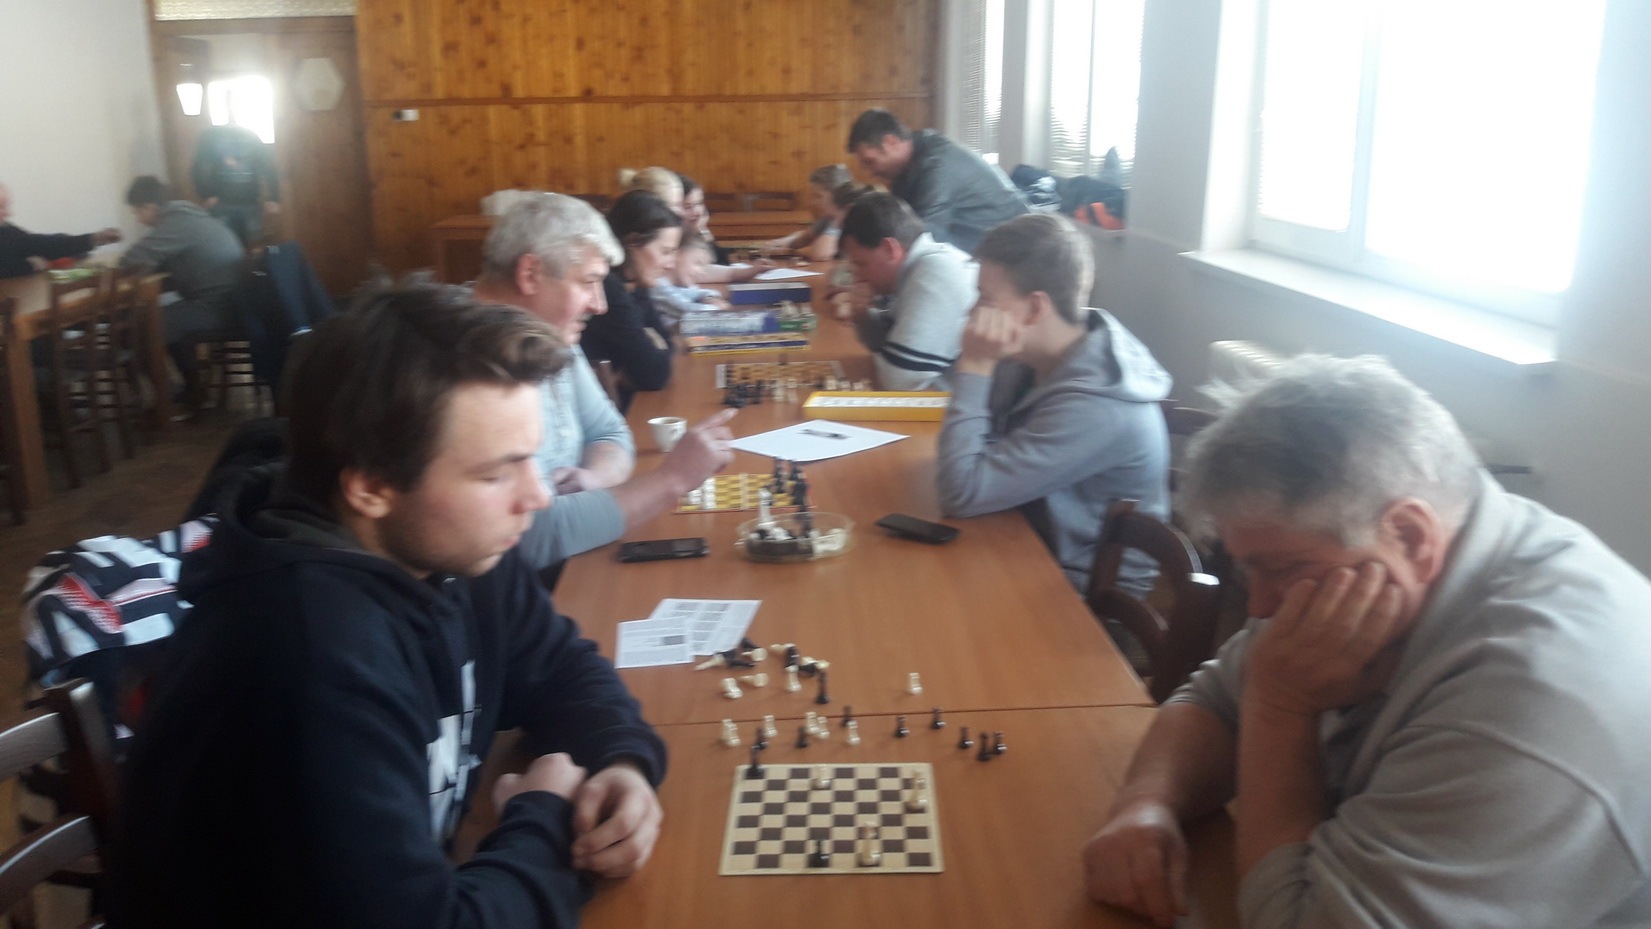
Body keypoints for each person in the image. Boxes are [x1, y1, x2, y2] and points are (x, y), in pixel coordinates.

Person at [108, 281, 669, 929]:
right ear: (371, 485)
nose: (537, 496)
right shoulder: (306, 660)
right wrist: (545, 818)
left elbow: (564, 669)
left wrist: (620, 761)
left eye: (532, 461)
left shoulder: (453, 546)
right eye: (496, 473)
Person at [1080, 355, 1651, 929]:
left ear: (1410, 535)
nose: (1259, 608)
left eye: (1280, 569)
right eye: (1251, 570)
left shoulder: (1533, 701)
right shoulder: (1366, 552)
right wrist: (1147, 803)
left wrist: (1279, 710)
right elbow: (1214, 701)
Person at [471, 193, 735, 570]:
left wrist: (596, 477)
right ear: (530, 274)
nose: (600, 305)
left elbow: (610, 430)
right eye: (588, 282)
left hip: (582, 554)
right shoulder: (469, 367)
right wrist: (672, 480)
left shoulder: (548, 334)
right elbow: (529, 536)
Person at [936, 214, 1171, 595]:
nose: (971, 311)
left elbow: (961, 492)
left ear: (1034, 309)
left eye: (985, 298)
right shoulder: (1030, 360)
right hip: (1022, 534)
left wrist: (975, 366)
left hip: (1077, 593)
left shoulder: (1097, 408)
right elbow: (974, 455)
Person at [119, 175, 246, 397]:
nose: (138, 218)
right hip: (234, 301)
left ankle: (169, 395)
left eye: (137, 212)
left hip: (218, 308)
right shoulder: (191, 216)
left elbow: (132, 260)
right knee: (161, 316)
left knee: (141, 326)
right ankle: (191, 387)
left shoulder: (176, 223)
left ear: (149, 207)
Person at [838, 192, 977, 391]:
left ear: (890, 249)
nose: (857, 277)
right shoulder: (916, 267)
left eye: (862, 264)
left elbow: (900, 380)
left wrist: (887, 357)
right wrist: (862, 316)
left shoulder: (936, 270)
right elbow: (887, 344)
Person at [846, 108, 1028, 254]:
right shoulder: (906, 169)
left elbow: (924, 243)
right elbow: (896, 231)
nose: (870, 172)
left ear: (891, 142)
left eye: (870, 162)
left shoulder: (937, 166)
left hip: (1015, 256)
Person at [583, 190, 679, 408]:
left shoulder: (634, 285)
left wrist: (655, 348)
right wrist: (653, 345)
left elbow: (667, 343)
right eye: (665, 252)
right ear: (633, 242)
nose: (671, 264)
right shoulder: (608, 289)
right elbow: (654, 375)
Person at [0, 181, 120, 278]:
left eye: (7, 206)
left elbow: (42, 244)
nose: (9, 213)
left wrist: (93, 239)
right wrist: (27, 266)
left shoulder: (7, 230)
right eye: (1, 207)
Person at [190, 123, 281, 245]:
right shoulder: (210, 136)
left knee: (254, 244)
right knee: (223, 245)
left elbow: (267, 166)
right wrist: (205, 194)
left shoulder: (250, 135)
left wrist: (274, 198)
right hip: (221, 204)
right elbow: (198, 167)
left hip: (250, 203)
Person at [677, 173, 763, 282]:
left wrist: (703, 231)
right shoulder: (676, 241)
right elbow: (714, 265)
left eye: (699, 203)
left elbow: (722, 261)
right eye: (687, 207)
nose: (697, 212)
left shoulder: (696, 231)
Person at [761, 164, 853, 261]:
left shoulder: (848, 215)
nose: (813, 202)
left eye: (818, 196)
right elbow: (806, 237)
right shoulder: (827, 218)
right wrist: (782, 243)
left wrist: (790, 251)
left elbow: (820, 253)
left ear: (837, 196)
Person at [652, 231, 730, 323]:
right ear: (677, 255)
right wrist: (717, 308)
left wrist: (710, 298)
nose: (702, 272)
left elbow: (697, 293)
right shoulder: (658, 285)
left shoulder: (675, 286)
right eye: (698, 263)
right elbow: (687, 310)